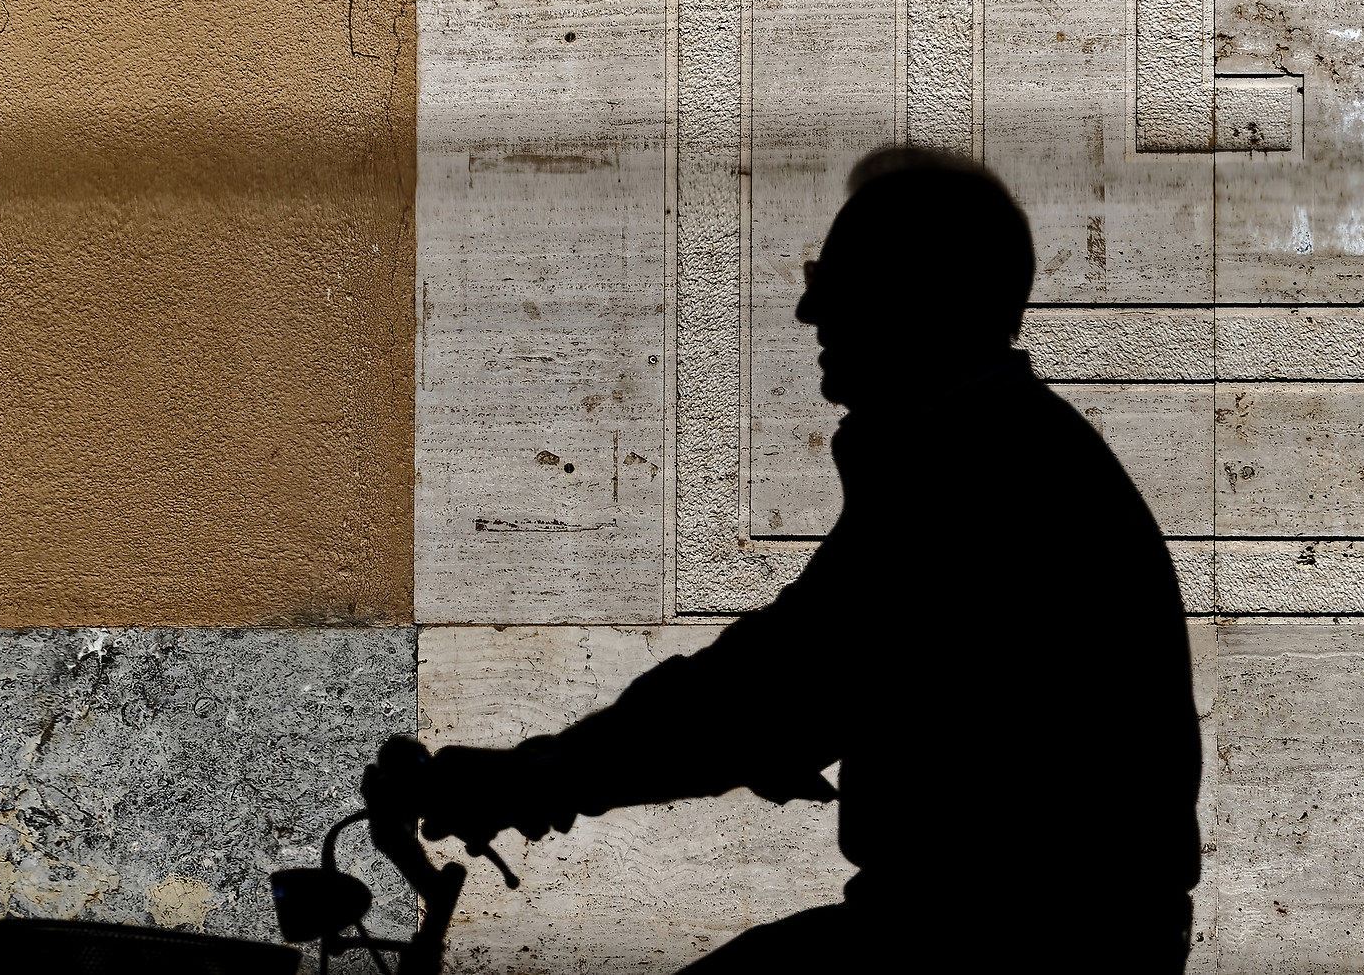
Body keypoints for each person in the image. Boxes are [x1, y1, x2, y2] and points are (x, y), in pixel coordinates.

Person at [411, 145, 1201, 971]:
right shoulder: (1005, 449)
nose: (806, 309)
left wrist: (534, 778)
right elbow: (829, 671)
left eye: (836, 277)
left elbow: (771, 683)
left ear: (921, 295)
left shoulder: (970, 473)